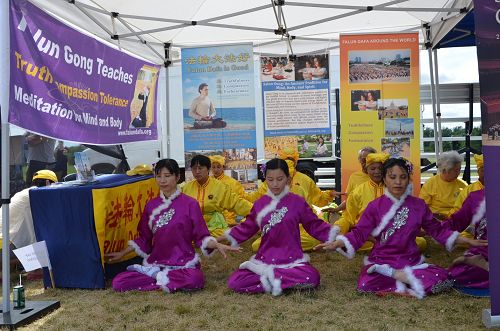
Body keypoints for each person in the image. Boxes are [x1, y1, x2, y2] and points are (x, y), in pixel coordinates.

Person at [316, 158, 486, 299]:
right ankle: (396, 277)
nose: (398, 182)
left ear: (409, 179)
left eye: (403, 177)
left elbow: (437, 230)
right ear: (385, 179)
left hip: (410, 260)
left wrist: (462, 239)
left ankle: (394, 276)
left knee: (443, 278)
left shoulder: (418, 205)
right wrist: (337, 243)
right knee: (366, 284)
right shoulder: (375, 206)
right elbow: (360, 233)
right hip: (382, 258)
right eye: (392, 177)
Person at [107, 159, 238, 293]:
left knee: (195, 280)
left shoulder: (190, 204)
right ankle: (160, 277)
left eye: (167, 176)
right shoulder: (151, 206)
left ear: (177, 177)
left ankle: (156, 277)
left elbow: (201, 236)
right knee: (119, 282)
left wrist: (215, 244)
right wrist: (123, 253)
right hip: (156, 262)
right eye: (158, 176)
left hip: (183, 263)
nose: (162, 180)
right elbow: (144, 238)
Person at [221, 158, 339, 296]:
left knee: (312, 277)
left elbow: (314, 224)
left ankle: (270, 279)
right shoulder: (260, 204)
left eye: (280, 179)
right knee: (236, 281)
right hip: (265, 258)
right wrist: (223, 237)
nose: (275, 184)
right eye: (270, 180)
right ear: (265, 180)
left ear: (288, 180)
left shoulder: (297, 202)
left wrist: (337, 236)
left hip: (292, 259)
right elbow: (247, 227)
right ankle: (282, 280)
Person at [182, 155, 252, 237]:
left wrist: (259, 211)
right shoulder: (186, 188)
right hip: (193, 226)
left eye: (200, 168)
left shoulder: (219, 187)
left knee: (226, 235)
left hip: (214, 227)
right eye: (194, 168)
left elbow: (236, 203)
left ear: (208, 169)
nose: (197, 171)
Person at [1, 170, 58, 263]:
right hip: (5, 245)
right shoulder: (36, 195)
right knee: (51, 239)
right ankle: (35, 268)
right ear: (48, 183)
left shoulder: (25, 193)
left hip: (4, 241)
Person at [445, 189, 489, 289]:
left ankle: (484, 265)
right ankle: (479, 263)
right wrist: (434, 228)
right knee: (459, 273)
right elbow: (457, 221)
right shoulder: (476, 197)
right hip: (484, 250)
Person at [419, 150, 467, 220]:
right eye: (456, 170)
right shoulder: (430, 184)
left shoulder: (463, 185)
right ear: (444, 171)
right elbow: (422, 207)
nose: (459, 173)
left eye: (459, 170)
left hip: (456, 219)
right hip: (435, 219)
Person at [208, 155, 246, 226]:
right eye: (213, 167)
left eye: (218, 167)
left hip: (231, 221)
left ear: (223, 167)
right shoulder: (208, 182)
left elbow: (241, 201)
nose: (216, 170)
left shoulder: (233, 183)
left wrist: (238, 219)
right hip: (212, 221)